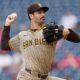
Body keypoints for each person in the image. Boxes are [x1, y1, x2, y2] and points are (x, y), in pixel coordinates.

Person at [1, 3, 80, 80]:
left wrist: (66, 31)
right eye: (39, 12)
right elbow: (5, 46)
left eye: (43, 12)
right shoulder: (23, 35)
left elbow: (77, 39)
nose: (43, 15)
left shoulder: (51, 32)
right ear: (31, 16)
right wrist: (7, 25)